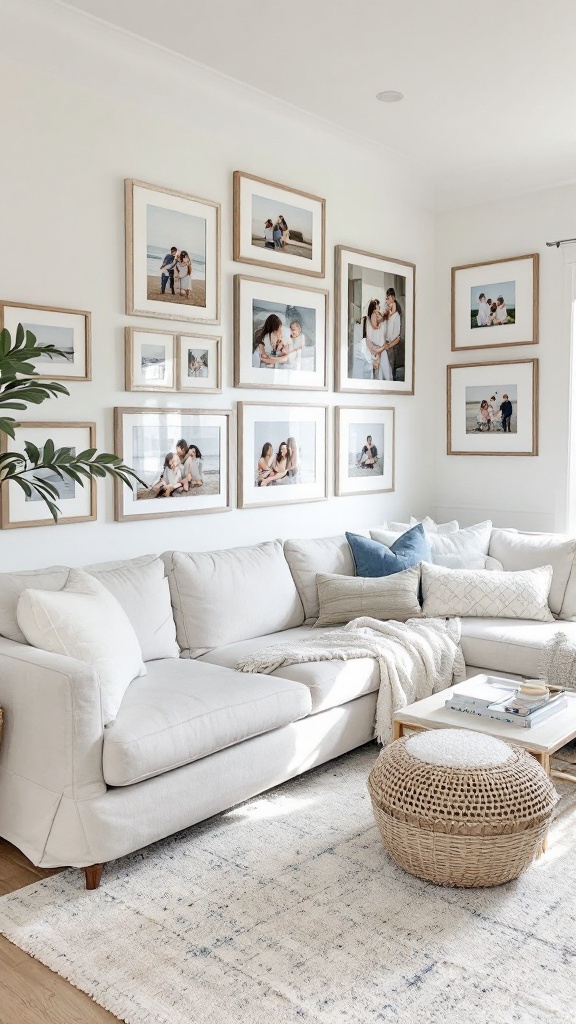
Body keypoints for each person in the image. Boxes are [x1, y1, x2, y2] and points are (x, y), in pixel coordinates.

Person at [362, 299, 387, 378]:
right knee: (377, 367)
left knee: (379, 367)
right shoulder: (373, 315)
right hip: (375, 343)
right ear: (374, 307)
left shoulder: (376, 314)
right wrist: (380, 325)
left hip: (376, 343)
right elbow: (374, 327)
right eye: (378, 305)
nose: (379, 306)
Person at [380, 288, 401, 381]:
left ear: (393, 298)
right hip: (385, 344)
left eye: (388, 298)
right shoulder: (388, 314)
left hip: (392, 346)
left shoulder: (397, 316)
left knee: (389, 373)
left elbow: (397, 337)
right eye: (386, 298)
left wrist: (388, 345)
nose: (387, 300)